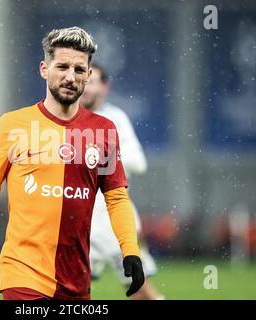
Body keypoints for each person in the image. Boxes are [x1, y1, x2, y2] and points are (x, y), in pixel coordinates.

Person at [0, 26, 145, 300]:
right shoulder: (13, 125)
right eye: (62, 66)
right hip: (22, 274)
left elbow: (116, 197)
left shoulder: (103, 130)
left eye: (78, 70)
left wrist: (130, 250)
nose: (69, 77)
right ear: (44, 69)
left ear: (88, 76)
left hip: (76, 279)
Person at [81, 62, 164, 300]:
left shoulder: (114, 118)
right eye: (83, 81)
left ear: (104, 87)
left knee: (141, 291)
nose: (85, 87)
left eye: (92, 82)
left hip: (112, 219)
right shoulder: (69, 116)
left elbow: (139, 162)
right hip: (78, 219)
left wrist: (100, 153)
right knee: (66, 289)